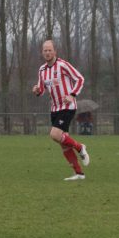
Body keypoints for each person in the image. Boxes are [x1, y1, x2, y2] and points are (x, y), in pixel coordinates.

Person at [32, 40, 90, 180]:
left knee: (54, 134)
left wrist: (72, 95)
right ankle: (79, 173)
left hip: (68, 106)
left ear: (55, 51)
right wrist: (37, 90)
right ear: (42, 52)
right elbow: (41, 89)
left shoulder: (63, 65)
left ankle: (80, 147)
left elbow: (80, 79)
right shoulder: (42, 70)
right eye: (45, 50)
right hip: (55, 108)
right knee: (63, 143)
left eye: (49, 50)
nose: (47, 52)